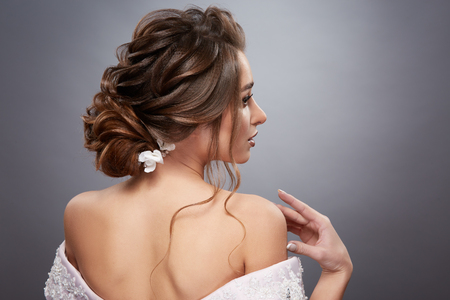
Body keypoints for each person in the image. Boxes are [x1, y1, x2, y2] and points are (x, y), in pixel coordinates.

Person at [44, 6, 352, 300]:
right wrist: (337, 272)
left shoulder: (80, 213)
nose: (260, 115)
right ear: (194, 113)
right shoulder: (255, 221)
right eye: (245, 99)